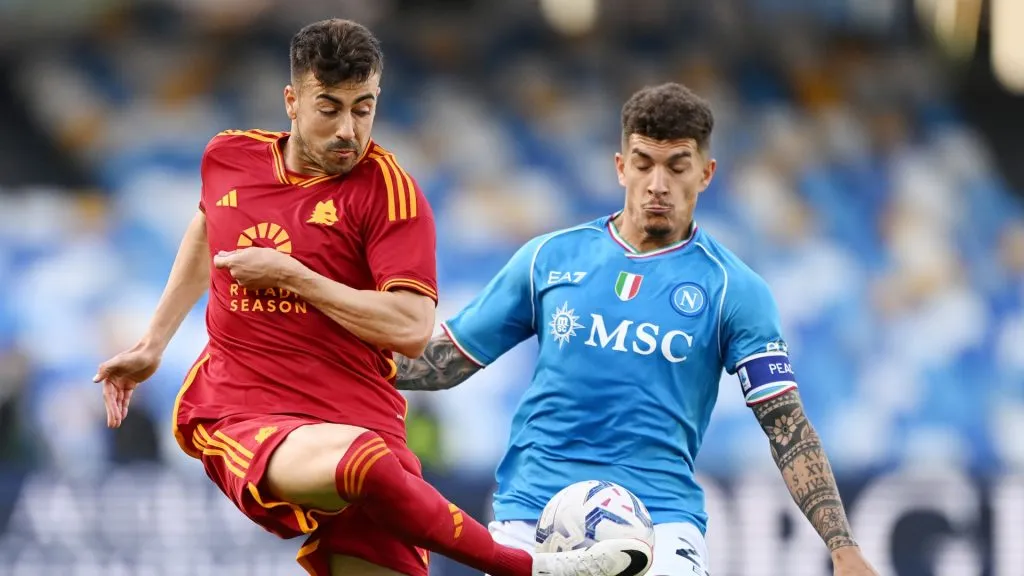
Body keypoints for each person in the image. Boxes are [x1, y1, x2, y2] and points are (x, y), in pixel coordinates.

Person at [92, 18, 652, 576]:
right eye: (329, 107)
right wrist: (153, 343)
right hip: (245, 409)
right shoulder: (228, 157)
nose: (348, 130)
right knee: (365, 461)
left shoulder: (390, 195)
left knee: (368, 458)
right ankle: (530, 569)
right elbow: (208, 227)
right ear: (292, 100)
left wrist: (294, 277)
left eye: (363, 108)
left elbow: (410, 327)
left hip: (359, 414)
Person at [394, 83, 881, 576]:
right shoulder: (549, 259)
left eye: (677, 165)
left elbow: (786, 425)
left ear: (706, 174)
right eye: (644, 162)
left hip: (660, 523)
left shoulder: (734, 289)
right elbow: (448, 360)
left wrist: (841, 546)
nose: (657, 183)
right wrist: (330, 363)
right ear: (621, 166)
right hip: (535, 514)